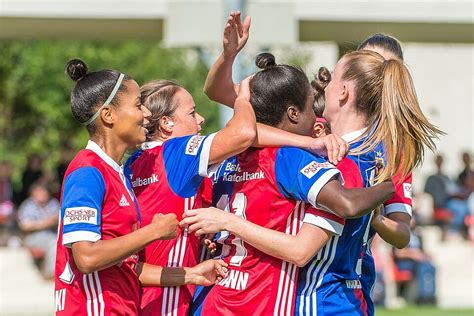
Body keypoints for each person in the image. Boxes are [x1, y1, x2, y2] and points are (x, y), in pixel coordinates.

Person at [186, 15, 442, 315]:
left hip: (318, 299)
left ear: (345, 91)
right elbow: (243, 125)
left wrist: (227, 221)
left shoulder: (342, 160)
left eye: (332, 78)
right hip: (339, 297)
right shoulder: (329, 141)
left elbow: (301, 249)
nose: (322, 84)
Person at [54, 59, 228, 315]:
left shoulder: (118, 173)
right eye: (137, 106)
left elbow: (126, 266)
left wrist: (190, 274)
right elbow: (87, 258)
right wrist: (155, 231)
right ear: (108, 115)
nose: (147, 114)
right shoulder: (88, 172)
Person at [125, 73, 257, 315]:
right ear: (166, 123)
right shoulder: (176, 152)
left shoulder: (132, 163)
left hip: (136, 298)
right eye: (192, 113)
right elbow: (244, 134)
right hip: (167, 302)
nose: (201, 119)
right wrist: (243, 99)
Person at [17, 182, 58, 278]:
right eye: (39, 192)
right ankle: (51, 273)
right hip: (33, 237)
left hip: (52, 234)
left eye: (44, 192)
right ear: (33, 193)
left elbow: (59, 218)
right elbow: (24, 225)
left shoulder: (53, 203)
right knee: (53, 242)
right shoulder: (28, 205)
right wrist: (44, 224)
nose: (42, 194)